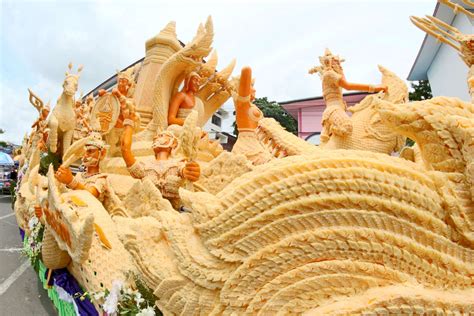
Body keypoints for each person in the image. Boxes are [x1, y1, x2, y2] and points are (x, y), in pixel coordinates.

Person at [121, 108, 200, 208]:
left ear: (174, 143)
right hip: (147, 211)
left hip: (174, 214)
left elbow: (187, 171)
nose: (156, 138)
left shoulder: (178, 164)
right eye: (157, 137)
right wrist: (129, 124)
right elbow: (125, 149)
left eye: (162, 136)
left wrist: (192, 171)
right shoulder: (145, 166)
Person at [309, 49, 387, 145]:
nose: (339, 65)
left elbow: (344, 82)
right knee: (347, 127)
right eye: (335, 62)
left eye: (338, 62)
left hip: (340, 108)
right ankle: (332, 130)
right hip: (333, 110)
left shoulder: (333, 74)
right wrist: (376, 88)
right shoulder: (329, 74)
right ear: (329, 62)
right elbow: (348, 86)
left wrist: (340, 69)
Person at [232, 66, 273, 165]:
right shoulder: (242, 104)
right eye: (250, 86)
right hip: (247, 144)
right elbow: (246, 70)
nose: (254, 90)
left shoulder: (252, 106)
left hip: (258, 142)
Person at [54, 132, 108, 202]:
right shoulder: (79, 175)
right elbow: (72, 193)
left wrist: (71, 181)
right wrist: (61, 184)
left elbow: (90, 195)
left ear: (102, 154)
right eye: (84, 152)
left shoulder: (101, 179)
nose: (85, 155)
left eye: (90, 151)